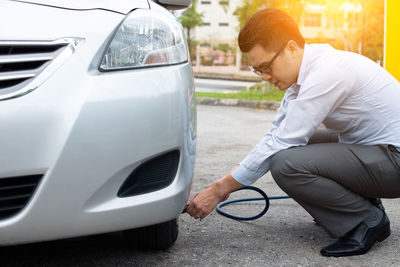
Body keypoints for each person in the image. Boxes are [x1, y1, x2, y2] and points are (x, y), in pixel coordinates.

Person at [186, 8, 400, 257]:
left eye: (266, 66)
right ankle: (361, 206)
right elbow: (276, 132)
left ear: (291, 48)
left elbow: (284, 141)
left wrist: (220, 190)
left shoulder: (327, 72)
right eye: (258, 70)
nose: (265, 77)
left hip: (394, 160)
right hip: (379, 153)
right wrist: (221, 184)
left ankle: (365, 220)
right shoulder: (304, 76)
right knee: (297, 148)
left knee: (286, 164)